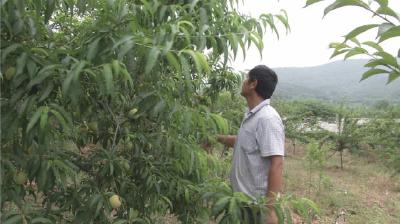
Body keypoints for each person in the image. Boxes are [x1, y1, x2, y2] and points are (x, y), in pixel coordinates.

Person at [217, 65, 285, 224]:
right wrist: (216, 138)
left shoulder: (267, 119)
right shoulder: (252, 115)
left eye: (247, 78)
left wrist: (270, 210)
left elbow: (277, 162)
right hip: (242, 203)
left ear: (253, 83)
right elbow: (242, 142)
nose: (243, 81)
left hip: (256, 207)